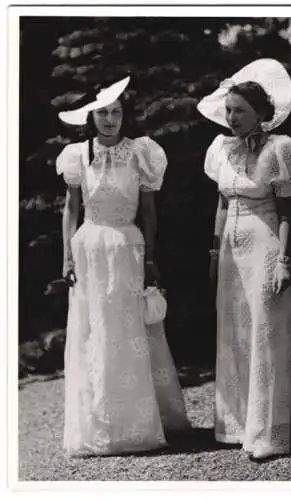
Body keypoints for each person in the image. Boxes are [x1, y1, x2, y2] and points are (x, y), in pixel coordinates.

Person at [197, 59, 291, 461]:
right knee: (237, 333)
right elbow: (223, 205)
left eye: (240, 111)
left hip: (265, 246)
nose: (232, 118)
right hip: (231, 251)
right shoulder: (221, 149)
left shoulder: (281, 149)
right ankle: (240, 425)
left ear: (262, 114)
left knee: (267, 332)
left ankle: (274, 428)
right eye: (228, 110)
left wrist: (282, 260)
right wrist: (213, 252)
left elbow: (288, 211)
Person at [56, 76, 190, 457]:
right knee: (93, 330)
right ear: (92, 117)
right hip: (90, 247)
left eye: (116, 112)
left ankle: (137, 424)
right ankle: (99, 423)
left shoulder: (140, 153)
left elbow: (149, 213)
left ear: (124, 115)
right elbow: (71, 209)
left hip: (127, 245)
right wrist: (67, 255)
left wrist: (149, 258)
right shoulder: (78, 155)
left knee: (128, 329)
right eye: (103, 113)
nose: (110, 119)